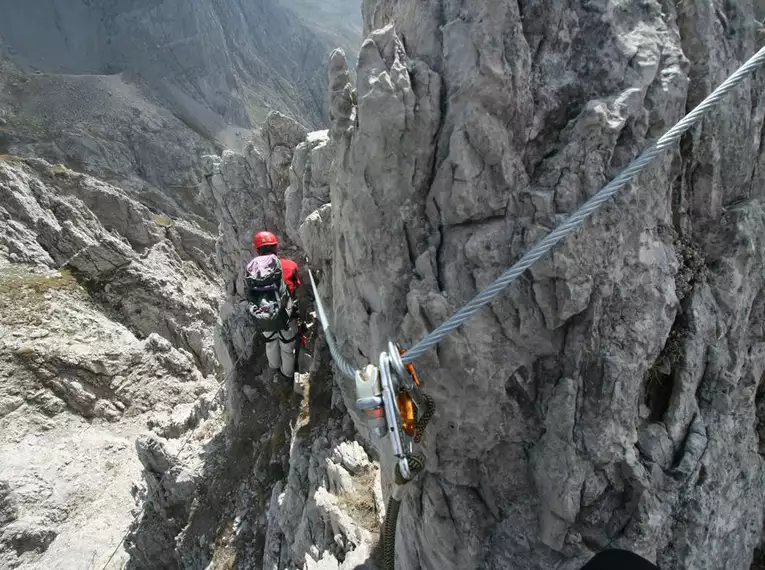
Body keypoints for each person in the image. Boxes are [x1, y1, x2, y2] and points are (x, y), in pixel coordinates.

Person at [245, 230, 301, 380]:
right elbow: (296, 286)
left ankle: (274, 368)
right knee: (287, 347)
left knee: (270, 343)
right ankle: (287, 374)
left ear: (257, 250)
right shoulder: (290, 265)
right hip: (285, 316)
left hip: (263, 314)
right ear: (275, 247)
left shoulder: (253, 272)